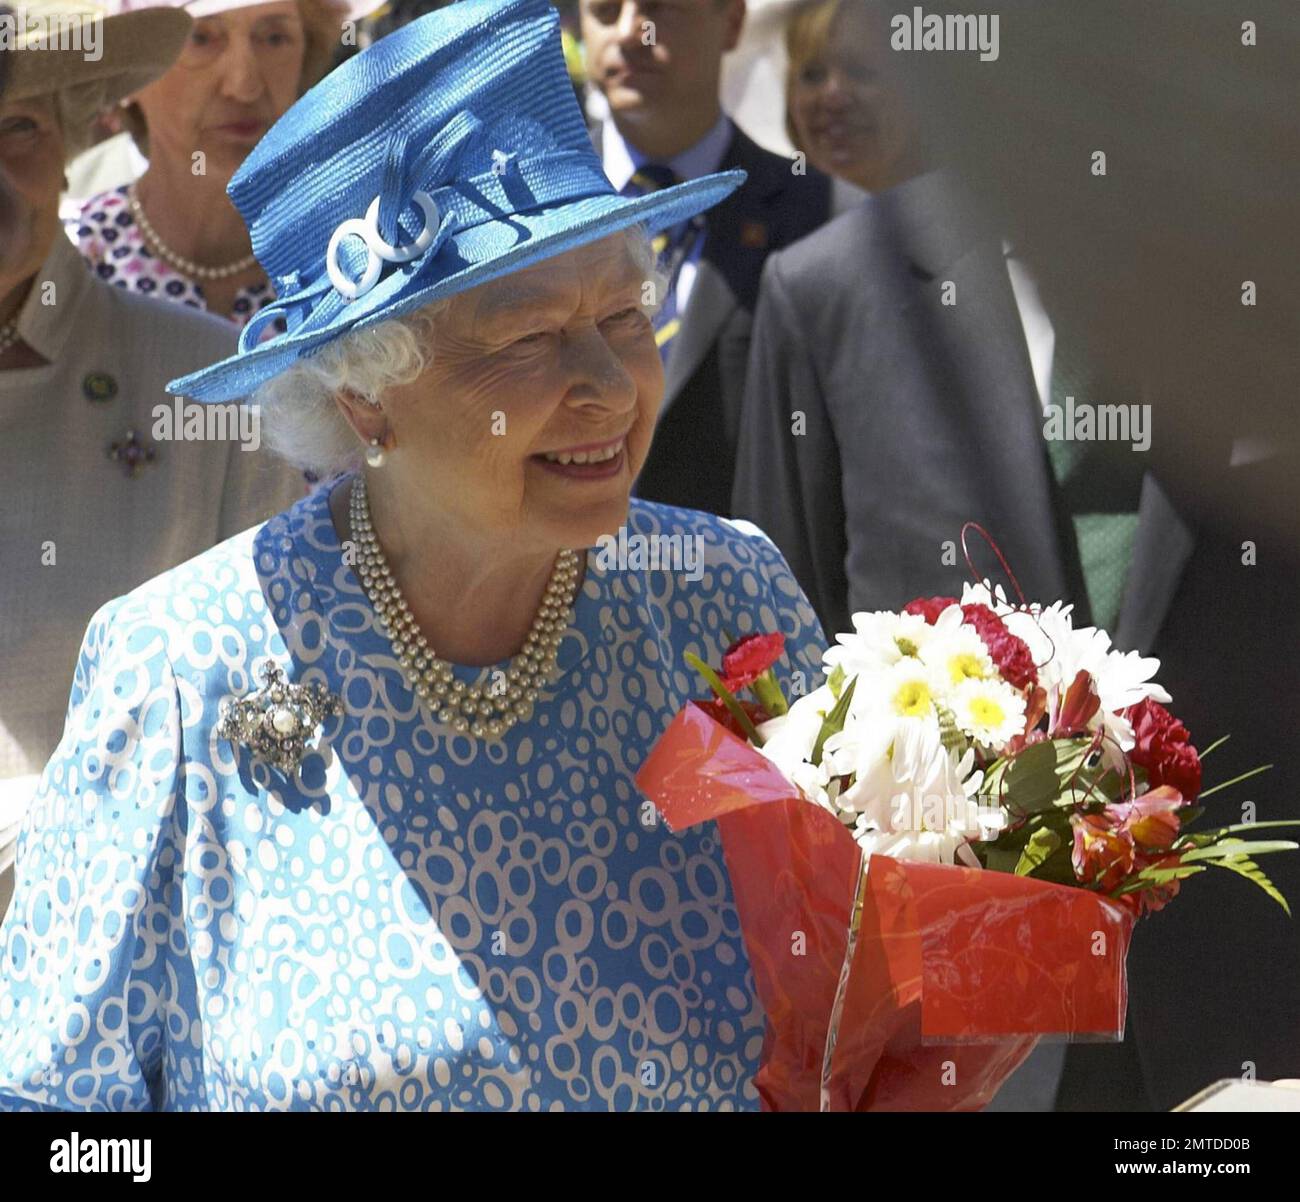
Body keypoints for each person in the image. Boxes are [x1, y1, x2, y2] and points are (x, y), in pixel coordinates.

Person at [0, 0, 831, 1111]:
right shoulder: (177, 666)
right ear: (365, 395)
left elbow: (850, 1010)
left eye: (623, 318)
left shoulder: (725, 601)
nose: (608, 383)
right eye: (529, 337)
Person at [0, 0, 303, 919]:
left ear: (66, 142)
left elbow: (278, 713)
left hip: (138, 961)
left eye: (17, 128)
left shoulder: (208, 385)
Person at [579, 0, 830, 517]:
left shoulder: (821, 218)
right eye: (604, 9)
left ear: (732, 22)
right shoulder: (524, 216)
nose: (630, 32)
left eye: (659, 7)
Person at [70, 0, 380, 327]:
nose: (244, 86)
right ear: (129, 74)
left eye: (274, 38)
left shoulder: (357, 260)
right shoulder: (68, 260)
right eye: (200, 38)